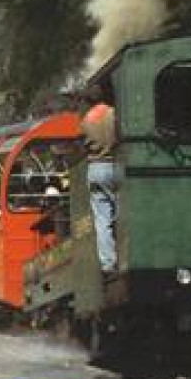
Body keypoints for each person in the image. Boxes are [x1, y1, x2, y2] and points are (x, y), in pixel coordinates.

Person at [82, 85, 119, 274]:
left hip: (94, 168)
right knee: (120, 212)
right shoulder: (114, 114)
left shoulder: (86, 120)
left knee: (102, 219)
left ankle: (108, 263)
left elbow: (80, 144)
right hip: (113, 165)